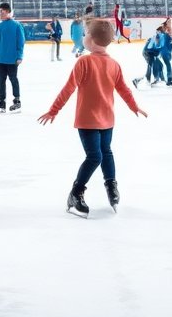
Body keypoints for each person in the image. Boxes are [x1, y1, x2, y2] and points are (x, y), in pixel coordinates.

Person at [39, 19, 146, 217]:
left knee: (103, 153)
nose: (83, 37)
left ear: (91, 39)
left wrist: (134, 106)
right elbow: (122, 89)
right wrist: (133, 106)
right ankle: (79, 193)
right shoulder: (102, 63)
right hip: (93, 119)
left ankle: (103, 187)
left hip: (101, 119)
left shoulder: (90, 62)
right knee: (98, 154)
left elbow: (70, 88)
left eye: (85, 34)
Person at [0, 3, 25, 113]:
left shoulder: (17, 25)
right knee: (1, 81)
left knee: (13, 79)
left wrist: (20, 56)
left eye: (1, 11)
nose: (0, 14)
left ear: (8, 11)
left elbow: (21, 42)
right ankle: (2, 103)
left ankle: (17, 101)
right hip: (1, 59)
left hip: (12, 59)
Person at [134, 26, 164, 90]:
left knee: (160, 65)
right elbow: (149, 48)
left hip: (150, 53)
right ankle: (139, 80)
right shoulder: (155, 37)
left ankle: (158, 79)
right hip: (147, 53)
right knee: (151, 67)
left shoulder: (159, 37)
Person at [159, 19, 172, 88]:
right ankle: (170, 79)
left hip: (165, 52)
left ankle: (167, 78)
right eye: (169, 22)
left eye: (170, 22)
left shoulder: (166, 31)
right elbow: (167, 43)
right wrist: (171, 47)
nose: (170, 23)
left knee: (167, 65)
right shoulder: (166, 30)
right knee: (168, 65)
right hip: (165, 52)